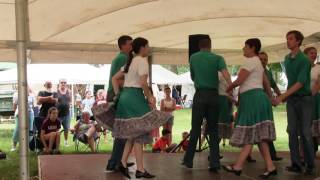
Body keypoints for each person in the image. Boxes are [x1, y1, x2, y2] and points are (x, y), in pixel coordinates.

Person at [111, 37, 172, 178]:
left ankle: (123, 162)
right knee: (139, 133)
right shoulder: (142, 61)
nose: (149, 48)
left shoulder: (130, 61)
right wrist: (150, 97)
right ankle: (140, 169)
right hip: (135, 97)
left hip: (125, 97)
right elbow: (143, 83)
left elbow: (114, 78)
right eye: (148, 46)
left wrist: (117, 95)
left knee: (134, 133)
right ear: (143, 48)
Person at [223, 38, 277, 178]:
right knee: (259, 136)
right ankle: (270, 167)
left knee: (251, 134)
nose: (243, 49)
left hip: (253, 99)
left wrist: (228, 88)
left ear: (252, 48)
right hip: (255, 99)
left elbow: (240, 81)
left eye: (245, 46)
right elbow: (265, 82)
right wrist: (270, 97)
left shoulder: (251, 61)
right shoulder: (257, 62)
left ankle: (238, 166)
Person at [182, 36, 232, 173]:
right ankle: (215, 162)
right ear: (210, 45)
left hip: (200, 94)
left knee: (196, 128)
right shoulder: (218, 58)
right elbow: (226, 74)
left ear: (199, 46)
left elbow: (192, 76)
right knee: (214, 131)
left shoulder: (193, 58)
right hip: (213, 96)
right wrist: (231, 87)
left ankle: (188, 160)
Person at [274, 30, 314, 175]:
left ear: (298, 41)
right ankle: (296, 163)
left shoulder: (304, 60)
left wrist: (282, 96)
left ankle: (310, 164)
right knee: (291, 131)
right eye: (287, 39)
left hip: (305, 100)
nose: (288, 41)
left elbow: (300, 83)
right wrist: (283, 96)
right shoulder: (286, 59)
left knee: (305, 132)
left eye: (290, 39)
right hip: (292, 100)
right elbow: (291, 82)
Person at [105, 35, 134, 172]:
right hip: (118, 95)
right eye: (129, 44)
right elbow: (119, 79)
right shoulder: (124, 58)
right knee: (123, 131)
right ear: (122, 45)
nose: (131, 46)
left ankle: (119, 160)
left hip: (115, 95)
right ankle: (115, 162)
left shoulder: (120, 58)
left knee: (123, 130)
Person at [259, 51, 283, 161]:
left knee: (266, 128)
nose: (263, 61)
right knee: (257, 128)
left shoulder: (268, 73)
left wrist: (282, 97)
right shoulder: (254, 72)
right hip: (256, 103)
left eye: (265, 59)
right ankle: (248, 155)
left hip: (266, 104)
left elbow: (274, 85)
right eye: (261, 59)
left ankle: (272, 155)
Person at [304, 47, 320, 154]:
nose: (313, 55)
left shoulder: (318, 68)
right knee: (306, 125)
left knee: (316, 125)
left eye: (315, 53)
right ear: (305, 54)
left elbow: (318, 84)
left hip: (315, 98)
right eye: (311, 53)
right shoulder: (302, 67)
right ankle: (308, 151)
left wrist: (310, 96)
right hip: (303, 98)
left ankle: (314, 149)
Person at [11, 87, 35, 151]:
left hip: (30, 114)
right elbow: (14, 106)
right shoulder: (16, 94)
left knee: (29, 130)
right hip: (19, 114)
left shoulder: (32, 95)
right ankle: (14, 146)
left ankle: (27, 146)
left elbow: (32, 106)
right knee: (17, 129)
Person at [57, 79, 72, 147]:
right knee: (57, 129)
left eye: (64, 82)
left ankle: (66, 142)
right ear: (59, 83)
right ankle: (57, 143)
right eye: (62, 82)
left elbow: (70, 101)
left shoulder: (69, 91)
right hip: (58, 115)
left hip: (67, 114)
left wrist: (69, 105)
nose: (63, 84)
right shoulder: (56, 92)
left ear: (66, 84)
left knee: (66, 129)